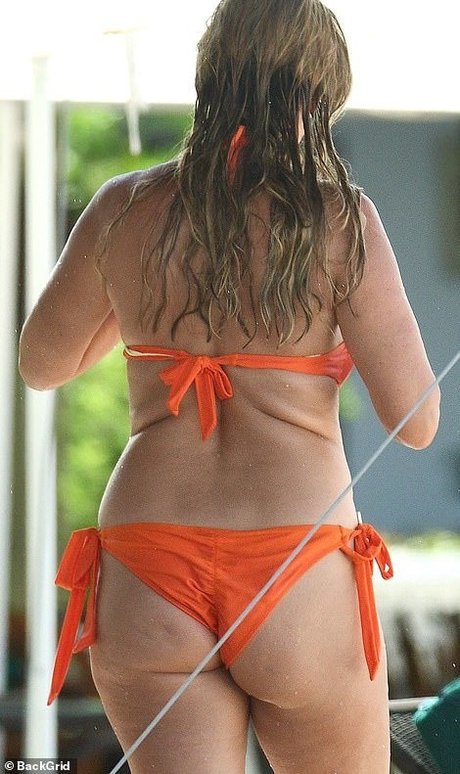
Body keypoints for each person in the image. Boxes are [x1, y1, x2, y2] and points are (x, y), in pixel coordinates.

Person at [19, 0, 440, 771]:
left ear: (209, 76)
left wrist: (150, 307)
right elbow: (415, 421)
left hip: (148, 563)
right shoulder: (339, 219)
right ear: (317, 94)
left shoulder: (124, 207)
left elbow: (41, 363)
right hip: (294, 563)